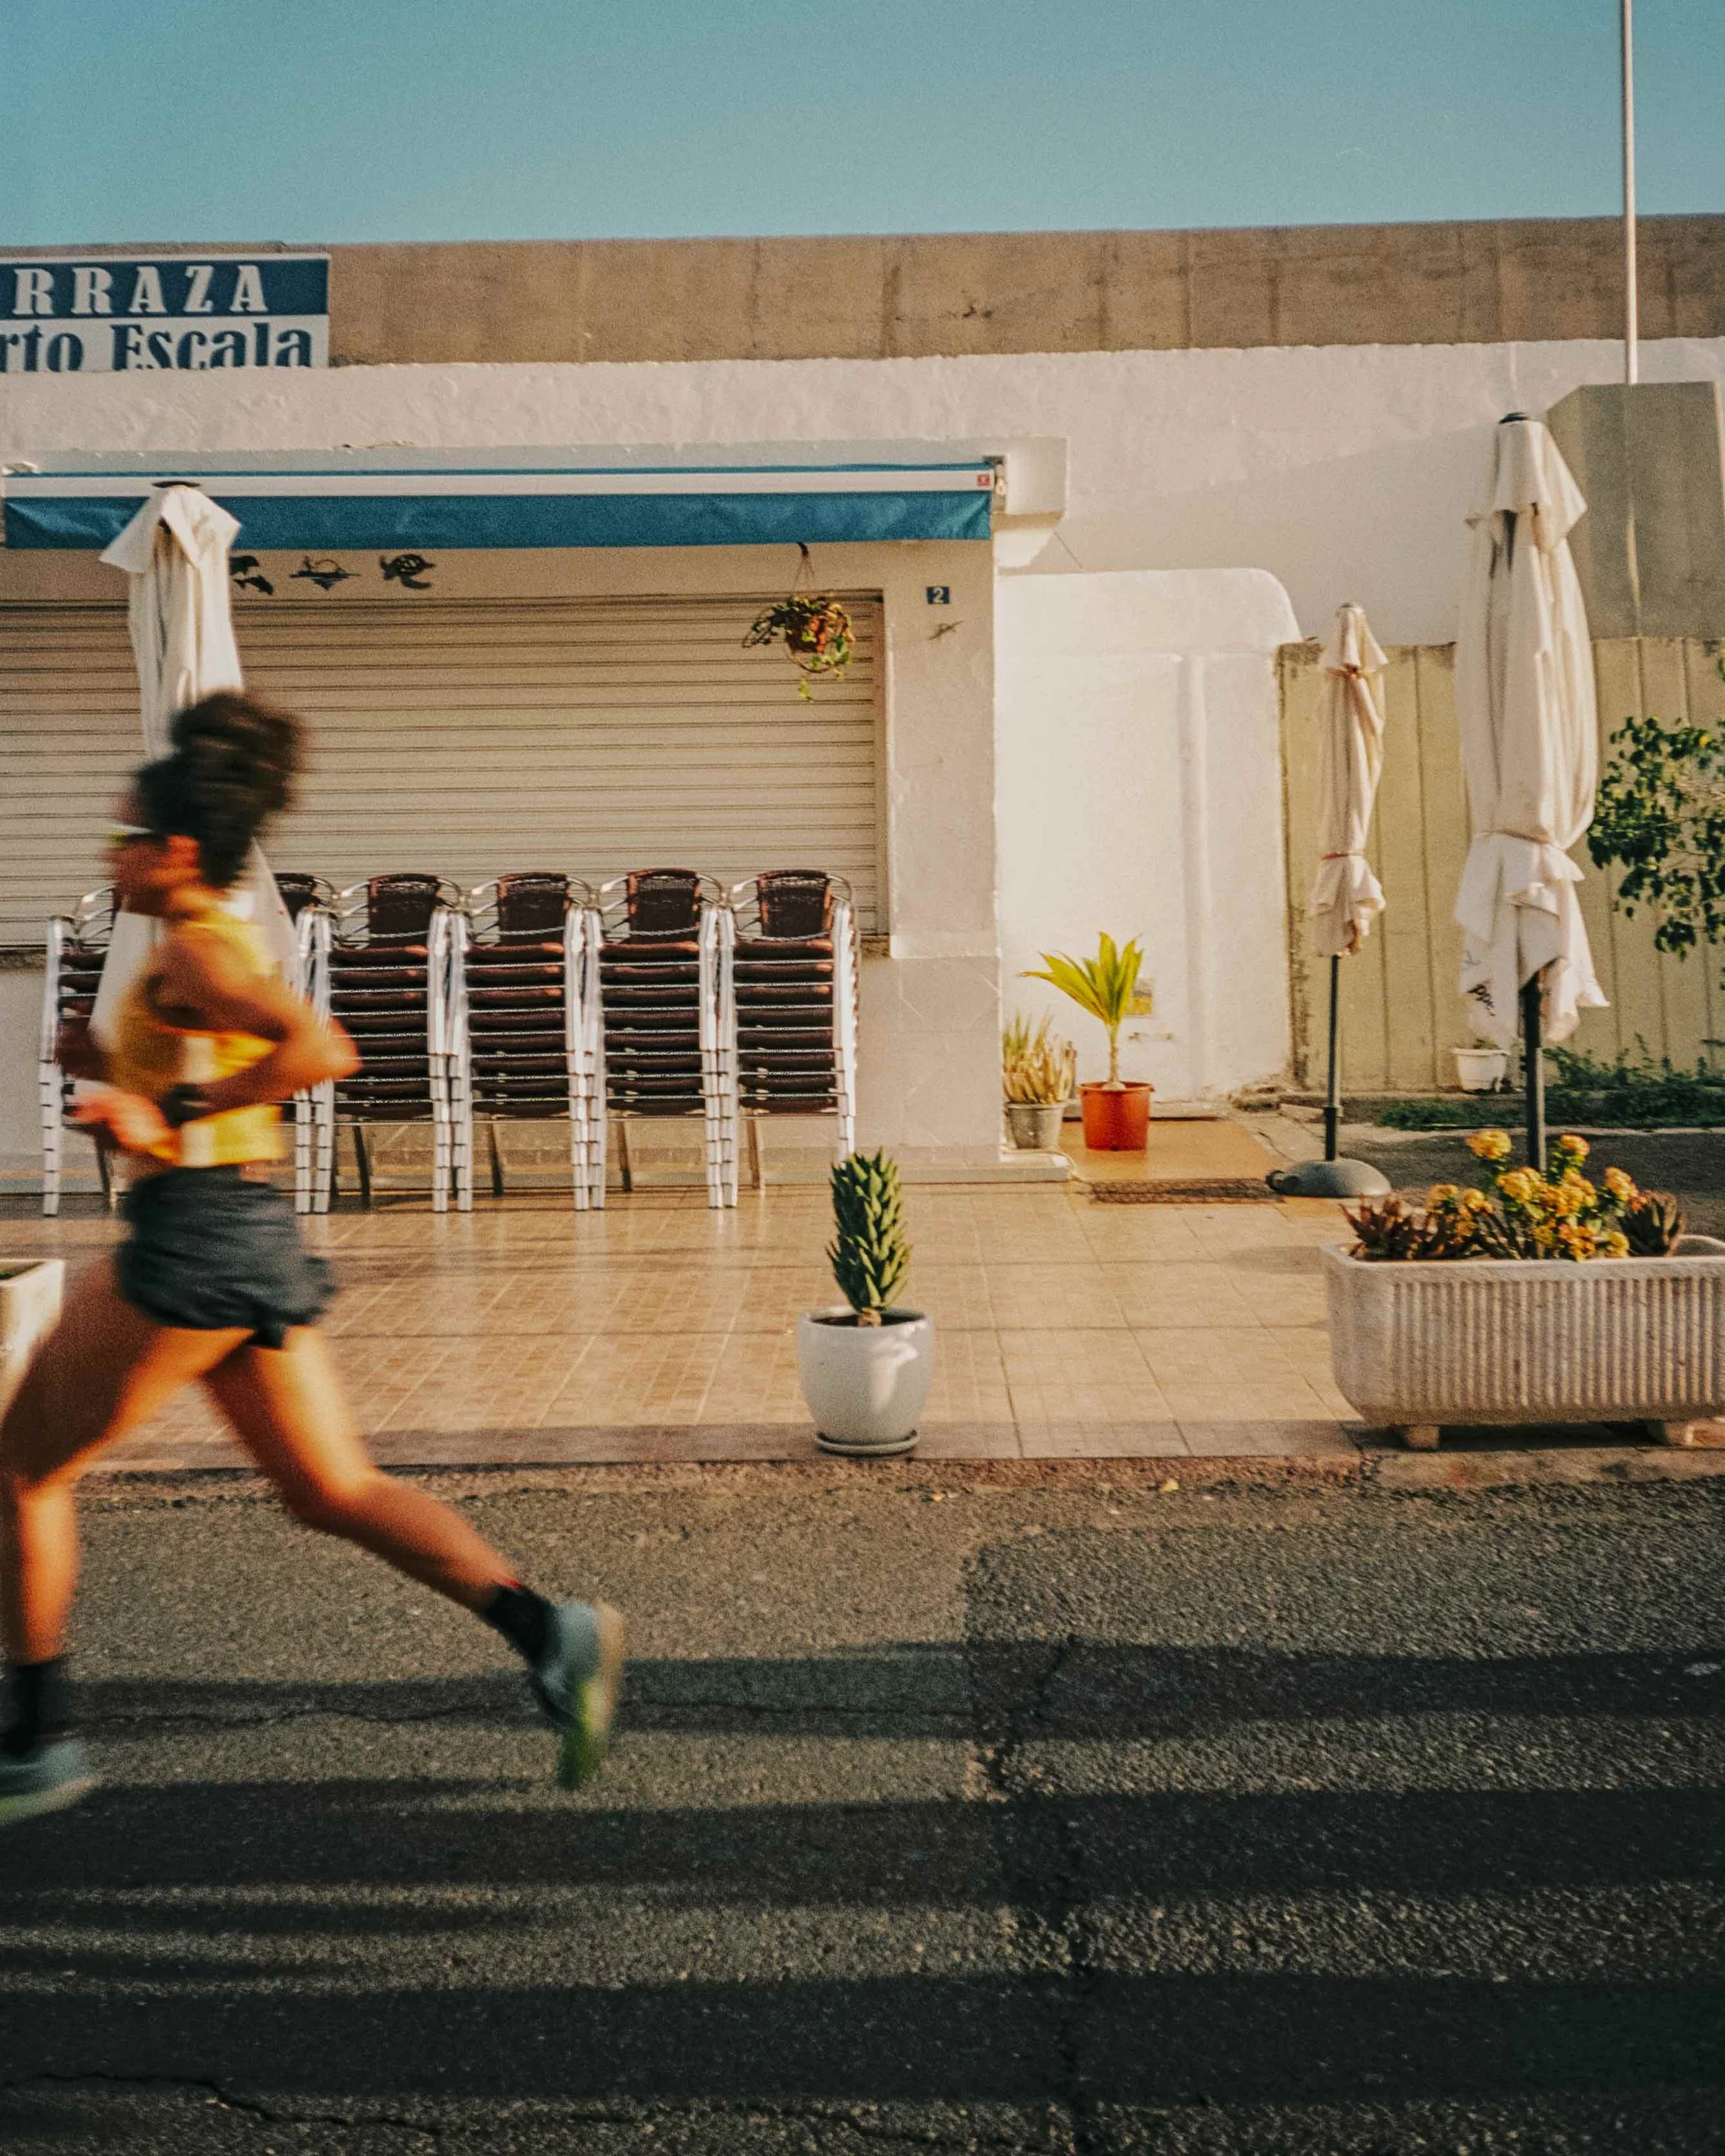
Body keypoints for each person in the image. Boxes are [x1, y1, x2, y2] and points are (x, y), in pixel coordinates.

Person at [0, 693, 622, 1824]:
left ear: (177, 849)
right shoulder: (193, 944)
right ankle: (552, 1633)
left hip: (191, 1241)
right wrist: (114, 1069)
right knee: (331, 1491)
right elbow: (226, 1072)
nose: (113, 855)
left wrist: (170, 1109)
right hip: (238, 1234)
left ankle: (36, 1742)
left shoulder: (194, 944)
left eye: (126, 836)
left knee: (22, 1469)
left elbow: (318, 1049)